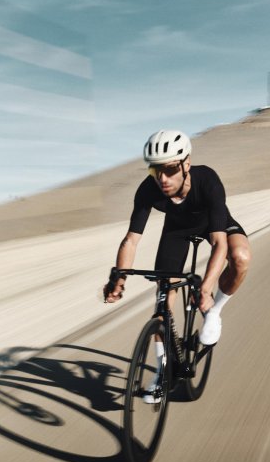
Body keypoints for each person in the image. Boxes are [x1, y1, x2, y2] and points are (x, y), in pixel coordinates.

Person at [103, 129, 251, 401]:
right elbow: (131, 240)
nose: (162, 178)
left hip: (214, 224)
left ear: (186, 164)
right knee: (162, 304)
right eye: (155, 170)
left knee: (240, 257)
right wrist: (118, 279)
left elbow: (219, 244)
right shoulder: (148, 189)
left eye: (170, 169)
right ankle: (162, 372)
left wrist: (206, 289)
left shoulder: (207, 180)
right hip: (177, 231)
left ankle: (215, 312)